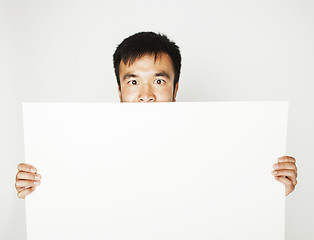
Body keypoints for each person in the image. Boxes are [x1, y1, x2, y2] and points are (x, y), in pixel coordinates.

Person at [15, 31, 298, 199]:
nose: (146, 94)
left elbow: (229, 204)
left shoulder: (215, 150)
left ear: (175, 88)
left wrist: (271, 192)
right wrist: (38, 190)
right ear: (119, 90)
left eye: (159, 81)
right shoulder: (83, 151)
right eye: (134, 81)